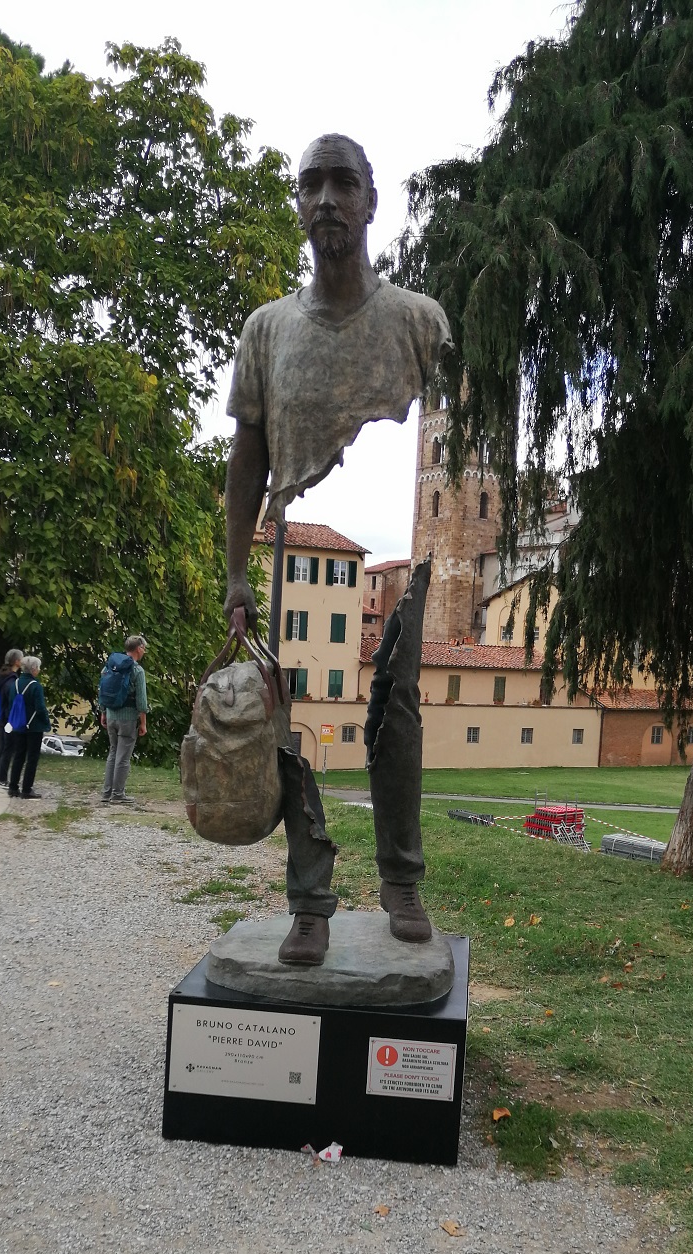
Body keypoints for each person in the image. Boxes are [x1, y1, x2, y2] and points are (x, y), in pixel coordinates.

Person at [221, 133, 451, 967]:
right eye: (309, 183)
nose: (324, 198)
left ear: (369, 201)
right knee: (285, 729)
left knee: (398, 711)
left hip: (399, 548)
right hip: (291, 545)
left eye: (341, 182)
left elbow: (447, 437)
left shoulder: (418, 322)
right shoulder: (267, 329)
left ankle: (401, 879)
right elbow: (245, 455)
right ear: (297, 204)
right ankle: (309, 899)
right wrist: (237, 568)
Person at [100, 635, 148, 806]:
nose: (144, 651)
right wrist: (143, 723)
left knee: (113, 753)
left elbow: (102, 690)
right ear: (139, 648)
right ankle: (118, 794)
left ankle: (106, 792)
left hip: (111, 715)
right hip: (127, 719)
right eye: (144, 648)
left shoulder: (110, 666)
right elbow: (141, 701)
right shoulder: (137, 670)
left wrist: (103, 712)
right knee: (123, 757)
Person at [6, 656, 50, 800]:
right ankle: (26, 788)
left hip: (18, 725)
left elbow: (11, 702)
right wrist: (46, 721)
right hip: (33, 726)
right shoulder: (35, 686)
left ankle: (13, 787)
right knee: (32, 758)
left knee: (18, 755)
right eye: (37, 667)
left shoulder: (16, 683)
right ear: (33, 669)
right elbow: (40, 708)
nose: (38, 670)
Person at [0, 648, 23, 787]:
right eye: (21, 658)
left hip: (2, 716)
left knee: (3, 747)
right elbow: (11, 700)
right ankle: (2, 778)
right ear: (16, 661)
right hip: (8, 718)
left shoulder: (1, 676)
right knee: (8, 748)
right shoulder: (11, 679)